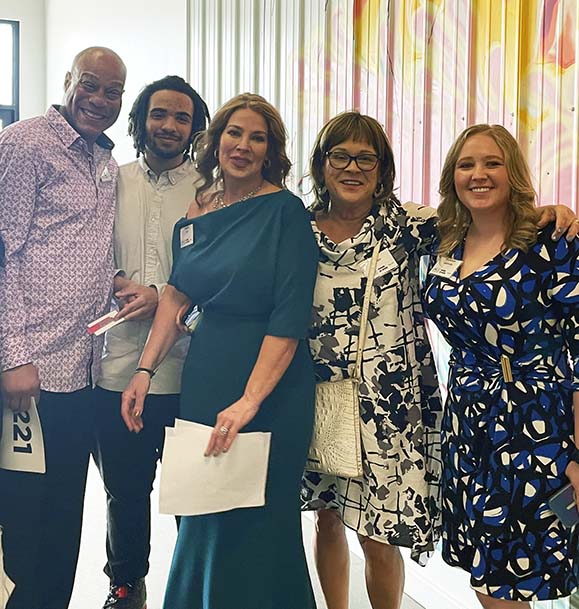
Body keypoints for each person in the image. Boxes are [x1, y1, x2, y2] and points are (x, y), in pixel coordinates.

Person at [300, 112, 579, 609]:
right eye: (339, 156)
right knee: (325, 515)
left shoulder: (412, 227)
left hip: (397, 407)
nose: (352, 167)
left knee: (380, 530)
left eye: (366, 158)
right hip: (326, 395)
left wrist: (550, 211)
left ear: (383, 168)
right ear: (321, 165)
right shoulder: (297, 229)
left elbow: (492, 219)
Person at [120, 93, 319, 609]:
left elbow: (290, 317)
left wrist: (249, 402)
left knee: (258, 520)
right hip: (206, 376)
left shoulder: (286, 213)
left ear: (271, 151)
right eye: (235, 133)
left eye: (258, 138)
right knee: (203, 510)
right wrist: (145, 369)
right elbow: (177, 295)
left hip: (269, 388)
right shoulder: (199, 208)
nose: (244, 146)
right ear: (216, 140)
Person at [422, 124, 579, 608]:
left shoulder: (550, 241)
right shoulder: (443, 243)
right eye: (467, 165)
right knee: (487, 577)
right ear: (452, 177)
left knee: (511, 582)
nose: (479, 174)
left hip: (535, 430)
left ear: (513, 172)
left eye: (492, 163)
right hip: (469, 428)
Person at [0, 47, 126, 609]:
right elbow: (4, 253)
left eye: (113, 92)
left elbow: (86, 249)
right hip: (30, 374)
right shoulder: (25, 144)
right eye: (91, 86)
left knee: (65, 516)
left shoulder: (105, 161)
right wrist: (12, 356)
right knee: (22, 520)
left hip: (83, 374)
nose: (100, 101)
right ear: (68, 81)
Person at [93, 75, 210, 609]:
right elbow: (81, 253)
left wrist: (162, 295)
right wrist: (117, 281)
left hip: (192, 372)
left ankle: (191, 588)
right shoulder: (108, 180)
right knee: (125, 491)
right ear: (139, 120)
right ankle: (125, 585)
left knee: (193, 493)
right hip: (116, 370)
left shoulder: (211, 192)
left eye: (181, 117)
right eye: (159, 114)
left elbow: (222, 277)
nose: (169, 125)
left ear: (195, 128)